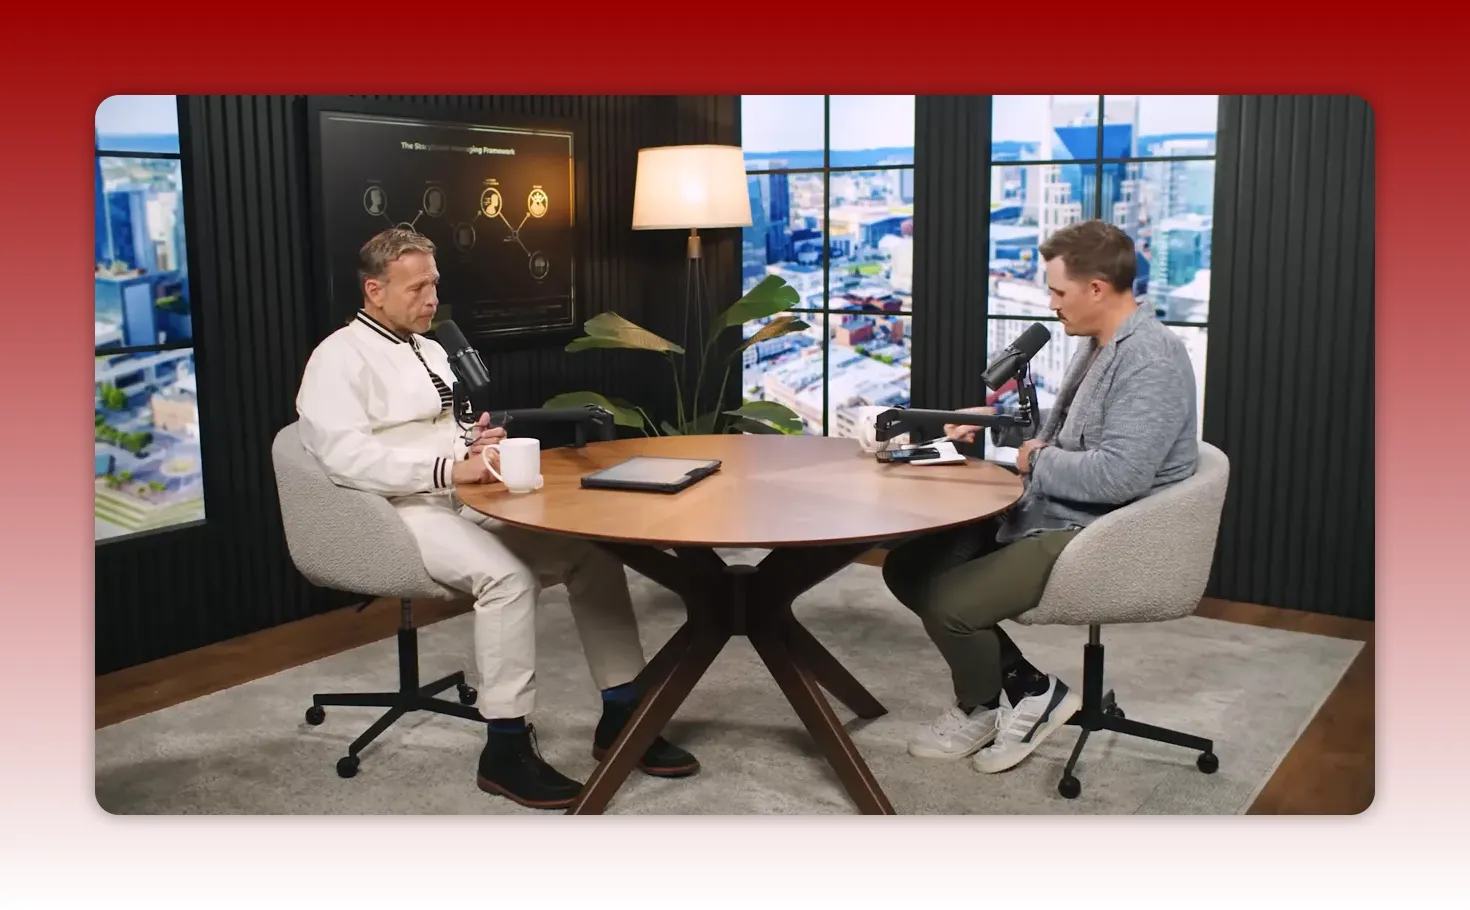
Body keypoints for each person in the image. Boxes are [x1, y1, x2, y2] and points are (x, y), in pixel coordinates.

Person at [294, 228, 698, 809]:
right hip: (393, 512)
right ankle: (505, 749)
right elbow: (345, 457)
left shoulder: (429, 348)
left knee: (594, 554)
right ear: (374, 290)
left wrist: (474, 441)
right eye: (418, 288)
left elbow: (441, 428)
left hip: (459, 498)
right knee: (505, 579)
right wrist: (448, 468)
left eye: (435, 284)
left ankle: (624, 717)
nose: (432, 299)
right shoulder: (336, 359)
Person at [881, 220, 1198, 774]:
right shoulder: (1102, 343)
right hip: (1057, 511)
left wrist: (1036, 460)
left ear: (1097, 288)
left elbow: (1119, 477)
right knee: (909, 567)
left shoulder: (1151, 359)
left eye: (1058, 291)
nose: (1050, 304)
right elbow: (1076, 428)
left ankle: (981, 704)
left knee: (951, 603)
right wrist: (995, 423)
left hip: (1099, 532)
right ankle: (1028, 689)